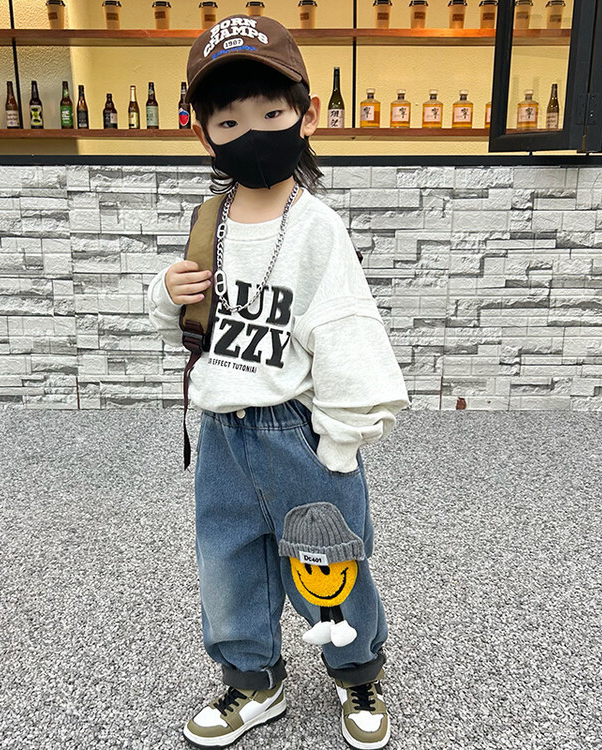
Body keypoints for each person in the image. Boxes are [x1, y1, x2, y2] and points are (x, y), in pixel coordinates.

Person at [146, 13, 410, 749]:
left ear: (306, 115)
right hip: (223, 435)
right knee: (228, 565)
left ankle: (356, 672)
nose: (252, 132)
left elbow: (347, 329)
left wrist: (343, 439)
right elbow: (192, 326)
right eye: (229, 121)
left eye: (271, 114)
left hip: (295, 430)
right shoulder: (210, 219)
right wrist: (166, 294)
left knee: (329, 565)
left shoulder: (316, 227)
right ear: (204, 135)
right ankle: (253, 680)